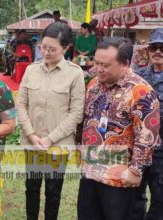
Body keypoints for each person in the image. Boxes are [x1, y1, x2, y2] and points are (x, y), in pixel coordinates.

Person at [78, 37, 161, 220]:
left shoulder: (141, 92)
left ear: (124, 63)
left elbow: (147, 137)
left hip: (120, 178)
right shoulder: (93, 86)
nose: (99, 69)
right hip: (90, 171)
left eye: (105, 65)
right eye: (97, 62)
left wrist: (135, 170)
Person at [16, 22, 85, 220]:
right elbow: (21, 105)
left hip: (58, 145)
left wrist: (49, 139)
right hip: (33, 143)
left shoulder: (74, 73)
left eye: (52, 49)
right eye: (43, 47)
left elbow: (76, 113)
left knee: (53, 192)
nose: (46, 52)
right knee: (31, 188)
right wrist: (31, 135)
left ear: (66, 48)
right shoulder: (31, 70)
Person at [132, 28, 163, 220]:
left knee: (160, 198)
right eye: (154, 47)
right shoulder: (138, 77)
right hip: (139, 148)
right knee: (135, 195)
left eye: (162, 47)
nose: (158, 51)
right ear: (147, 50)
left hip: (162, 150)